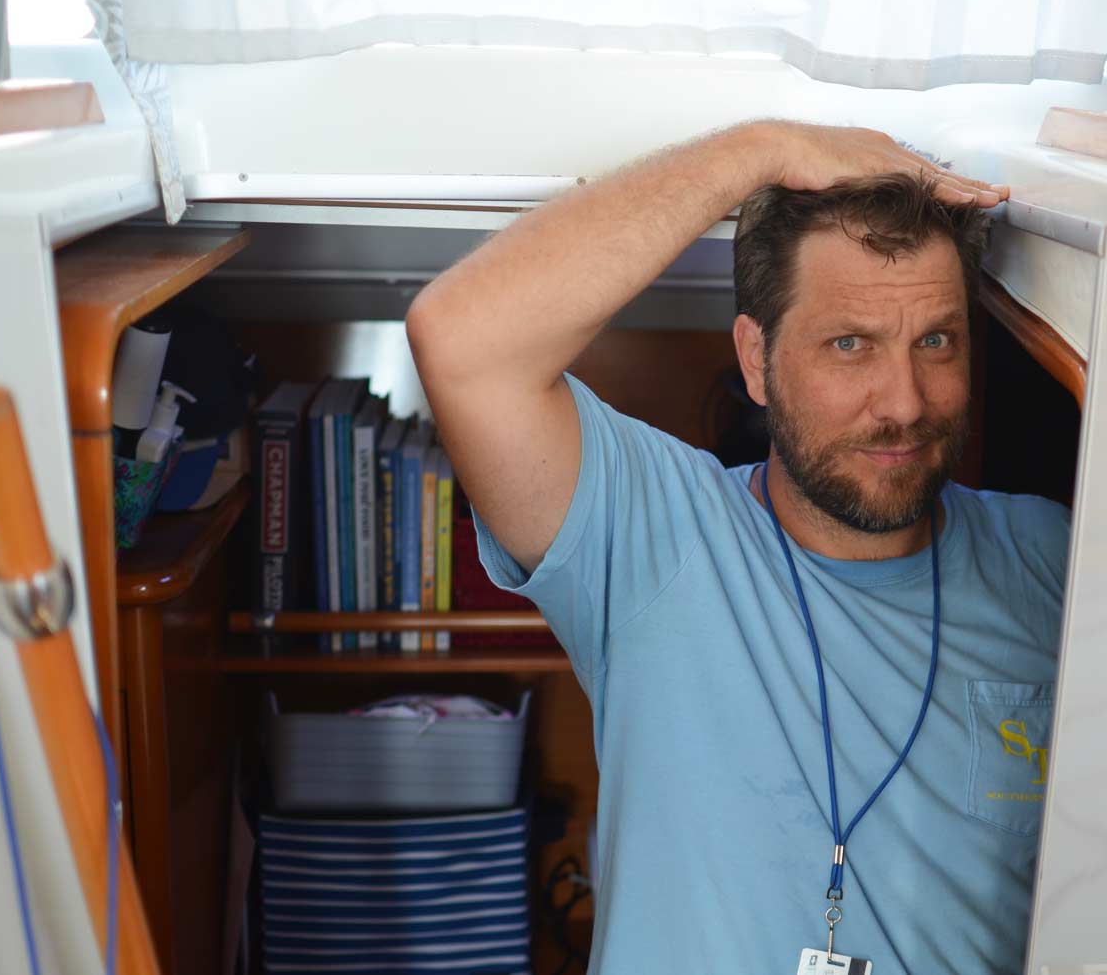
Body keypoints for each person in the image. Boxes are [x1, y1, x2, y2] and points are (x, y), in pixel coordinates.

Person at [406, 120, 1070, 975]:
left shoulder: (1055, 563)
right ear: (757, 362)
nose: (903, 402)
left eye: (935, 340)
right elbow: (461, 342)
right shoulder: (654, 535)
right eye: (849, 344)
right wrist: (759, 149)